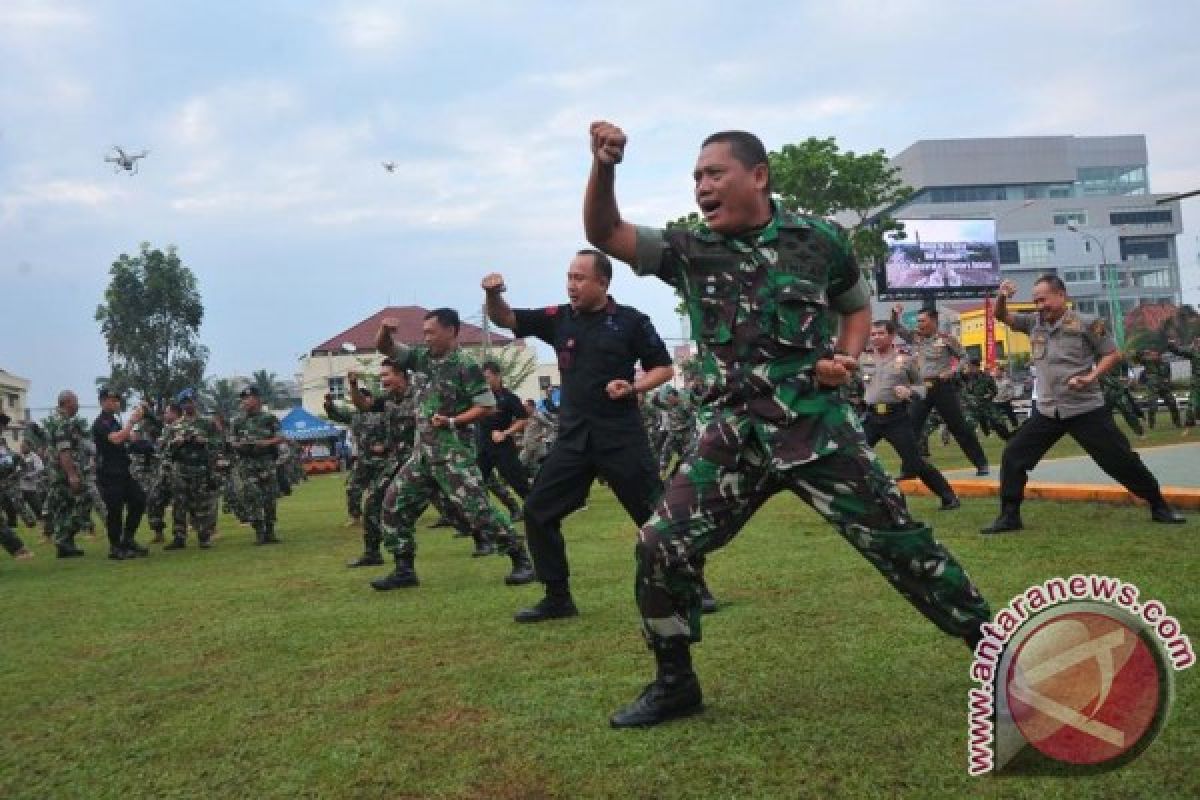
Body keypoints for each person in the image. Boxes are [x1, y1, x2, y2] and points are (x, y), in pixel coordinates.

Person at [583, 121, 991, 727]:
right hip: (731, 435)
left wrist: (848, 360)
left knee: (900, 543)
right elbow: (604, 232)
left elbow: (855, 307)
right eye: (696, 177)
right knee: (659, 544)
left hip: (816, 427)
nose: (701, 187)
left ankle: (997, 650)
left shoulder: (820, 239)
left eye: (713, 174)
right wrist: (605, 166)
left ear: (758, 176)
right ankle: (675, 681)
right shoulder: (689, 250)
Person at [484, 256, 718, 623]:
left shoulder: (630, 321)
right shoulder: (558, 319)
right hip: (574, 440)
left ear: (603, 283)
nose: (571, 285)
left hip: (620, 437)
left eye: (580, 278)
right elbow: (507, 318)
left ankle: (694, 585)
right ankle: (557, 597)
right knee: (537, 511)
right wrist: (493, 295)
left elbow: (663, 367)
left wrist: (635, 386)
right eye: (568, 277)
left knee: (657, 516)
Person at [981, 276, 1186, 533]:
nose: (1039, 305)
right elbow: (1001, 316)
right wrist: (1001, 296)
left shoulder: (1089, 323)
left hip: (1085, 408)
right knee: (1014, 455)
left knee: (1119, 459)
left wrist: (1091, 377)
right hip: (1048, 410)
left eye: (1043, 299)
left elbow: (1112, 354)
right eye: (1035, 301)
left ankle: (1159, 505)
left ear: (1061, 296)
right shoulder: (1033, 323)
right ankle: (1009, 516)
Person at [370, 309, 535, 589]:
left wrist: (452, 420)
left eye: (431, 332)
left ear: (451, 331)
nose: (426, 338)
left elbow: (487, 406)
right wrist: (385, 330)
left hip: (452, 453)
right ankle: (404, 569)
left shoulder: (465, 365)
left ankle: (522, 560)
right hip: (423, 455)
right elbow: (385, 347)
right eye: (424, 332)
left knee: (478, 511)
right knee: (393, 505)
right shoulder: (422, 358)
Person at [859, 320, 960, 510]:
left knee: (914, 462)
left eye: (880, 333)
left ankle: (949, 497)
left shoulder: (905, 360)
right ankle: (861, 503)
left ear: (891, 336)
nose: (876, 338)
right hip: (871, 417)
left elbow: (923, 387)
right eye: (873, 334)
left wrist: (910, 392)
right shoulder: (864, 360)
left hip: (896, 418)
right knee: (854, 457)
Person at [892, 305, 990, 476]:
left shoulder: (947, 339)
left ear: (934, 320)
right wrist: (895, 315)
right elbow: (897, 329)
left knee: (958, 427)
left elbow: (964, 357)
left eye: (922, 321)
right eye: (918, 321)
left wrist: (953, 371)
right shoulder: (915, 338)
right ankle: (909, 469)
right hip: (921, 389)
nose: (919, 324)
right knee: (911, 428)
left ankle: (981, 463)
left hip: (942, 388)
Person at [92, 388, 149, 560]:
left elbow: (128, 438)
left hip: (123, 472)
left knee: (139, 500)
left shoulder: (114, 421)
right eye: (111, 399)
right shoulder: (100, 423)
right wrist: (131, 422)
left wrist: (141, 425)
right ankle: (115, 547)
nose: (115, 402)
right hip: (109, 474)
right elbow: (116, 438)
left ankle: (128, 539)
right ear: (102, 401)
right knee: (115, 510)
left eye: (117, 399)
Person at [161, 389, 221, 549]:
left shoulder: (207, 423)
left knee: (202, 504)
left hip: (201, 468)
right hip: (181, 469)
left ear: (196, 401)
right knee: (179, 504)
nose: (188, 404)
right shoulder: (175, 426)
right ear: (181, 405)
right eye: (185, 402)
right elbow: (164, 448)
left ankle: (204, 536)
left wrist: (204, 441)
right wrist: (176, 443)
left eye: (191, 401)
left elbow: (219, 444)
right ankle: (179, 537)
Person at [229, 386, 285, 545]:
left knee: (269, 497)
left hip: (266, 461)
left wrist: (265, 442)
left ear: (257, 399)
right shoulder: (238, 421)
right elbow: (231, 441)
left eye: (248, 398)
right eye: (243, 399)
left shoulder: (269, 418)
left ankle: (270, 531)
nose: (245, 402)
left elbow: (280, 437)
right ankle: (259, 532)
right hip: (247, 463)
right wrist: (240, 445)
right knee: (252, 496)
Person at [477, 361, 531, 519]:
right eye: (483, 378)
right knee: (476, 482)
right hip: (483, 446)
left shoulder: (509, 398)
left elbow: (523, 420)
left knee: (517, 480)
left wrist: (506, 433)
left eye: (487, 377)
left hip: (502, 445)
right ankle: (481, 519)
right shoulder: (480, 397)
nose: (485, 381)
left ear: (497, 376)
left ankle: (538, 509)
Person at [42, 391, 92, 558]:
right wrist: (72, 475)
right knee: (81, 503)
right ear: (68, 402)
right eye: (76, 401)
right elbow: (64, 451)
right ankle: (64, 540)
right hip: (63, 474)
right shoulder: (62, 423)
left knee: (64, 508)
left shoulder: (56, 421)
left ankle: (65, 545)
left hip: (57, 473)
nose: (78, 405)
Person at [960, 359, 1012, 441]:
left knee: (999, 423)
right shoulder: (965, 377)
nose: (969, 368)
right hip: (971, 407)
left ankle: (1009, 439)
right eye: (968, 367)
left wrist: (990, 395)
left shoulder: (987, 377)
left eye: (971, 367)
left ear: (976, 367)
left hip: (986, 405)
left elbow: (994, 390)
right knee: (969, 426)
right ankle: (972, 444)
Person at [1136, 349, 1182, 430]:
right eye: (1152, 355)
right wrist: (1143, 352)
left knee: (1172, 403)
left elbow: (1168, 376)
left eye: (1155, 355)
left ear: (1159, 356)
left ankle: (1177, 423)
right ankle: (1151, 425)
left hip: (1164, 388)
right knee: (1152, 406)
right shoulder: (1147, 363)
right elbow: (1137, 357)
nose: (1153, 357)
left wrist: (1167, 381)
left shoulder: (1166, 364)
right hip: (1153, 389)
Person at [1165, 335, 1200, 434]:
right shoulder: (1193, 353)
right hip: (1197, 383)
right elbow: (1178, 351)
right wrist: (1171, 344)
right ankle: (1188, 427)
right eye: (1197, 342)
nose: (1198, 343)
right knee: (1192, 405)